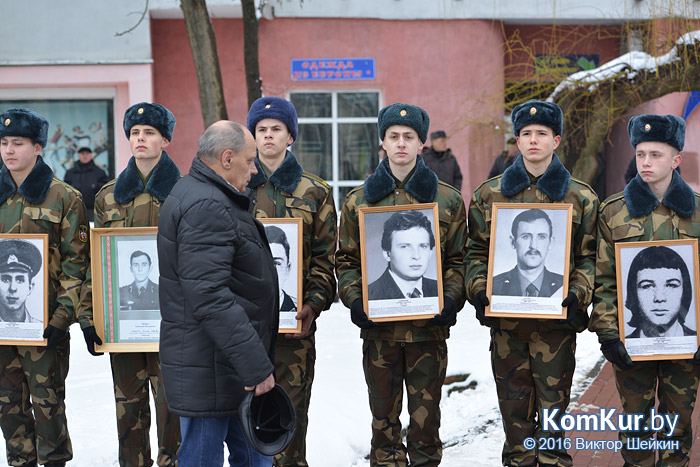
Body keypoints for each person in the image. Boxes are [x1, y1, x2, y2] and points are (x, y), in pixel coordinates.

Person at [465, 100, 598, 466]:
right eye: (526, 134)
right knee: (515, 424)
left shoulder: (581, 197)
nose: (533, 140)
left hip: (556, 330)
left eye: (542, 134)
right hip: (507, 330)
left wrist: (577, 293)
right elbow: (475, 251)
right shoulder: (489, 195)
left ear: (556, 140)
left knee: (553, 426)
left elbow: (591, 257)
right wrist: (478, 290)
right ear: (517, 140)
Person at [336, 103, 466, 465]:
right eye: (393, 136)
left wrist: (451, 299)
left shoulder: (448, 200)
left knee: (426, 424)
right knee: (383, 424)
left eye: (409, 137)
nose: (401, 144)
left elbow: (459, 260)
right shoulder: (359, 201)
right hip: (380, 335)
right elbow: (345, 260)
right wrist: (355, 300)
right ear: (383, 142)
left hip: (429, 333)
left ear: (421, 143)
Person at [158, 120, 278, 466]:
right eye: (249, 160)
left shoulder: (204, 193)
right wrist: (256, 367)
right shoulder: (207, 205)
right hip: (213, 368)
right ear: (227, 158)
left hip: (223, 365)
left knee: (255, 457)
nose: (254, 170)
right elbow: (209, 295)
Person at [589, 114, 700, 466]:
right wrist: (609, 334)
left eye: (656, 154)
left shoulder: (697, 212)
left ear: (676, 160)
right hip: (632, 343)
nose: (646, 162)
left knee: (678, 425)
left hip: (686, 346)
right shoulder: (614, 213)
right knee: (636, 427)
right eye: (640, 154)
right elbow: (603, 280)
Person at [77, 102, 181, 466]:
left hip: (174, 325)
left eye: (149, 132)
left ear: (165, 140)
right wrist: (90, 317)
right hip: (123, 325)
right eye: (135, 133)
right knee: (129, 413)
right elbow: (98, 260)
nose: (141, 138)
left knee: (174, 412)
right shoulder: (108, 195)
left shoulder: (184, 191)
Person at [246, 96, 337, 466]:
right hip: (243, 328)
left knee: (289, 415)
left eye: (276, 129)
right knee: (246, 419)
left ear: (290, 136)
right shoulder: (236, 186)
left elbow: (325, 258)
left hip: (293, 328)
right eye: (261, 130)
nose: (268, 136)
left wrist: (312, 304)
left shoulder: (314, 191)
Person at [0, 107, 90, 466]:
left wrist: (61, 318)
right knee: (9, 407)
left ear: (38, 147)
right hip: (2, 329)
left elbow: (77, 265)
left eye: (18, 143)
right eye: (4, 142)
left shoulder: (64, 197)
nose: (9, 150)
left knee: (48, 405)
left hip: (44, 328)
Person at [624, 246, 695, 338]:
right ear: (634, 293)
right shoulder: (622, 346)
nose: (659, 298)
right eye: (647, 286)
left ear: (684, 291)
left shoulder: (696, 342)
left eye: (671, 285)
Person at [367, 210, 439, 300]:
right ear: (387, 254)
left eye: (423, 246)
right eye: (404, 247)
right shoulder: (369, 297)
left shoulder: (441, 291)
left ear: (430, 252)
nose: (416, 256)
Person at [491, 209, 564, 297]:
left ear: (550, 242)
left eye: (541, 237)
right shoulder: (493, 287)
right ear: (513, 242)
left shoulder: (564, 286)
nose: (533, 246)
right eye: (526, 237)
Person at [0, 239, 43, 323]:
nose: (12, 288)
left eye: (20, 280)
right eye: (5, 279)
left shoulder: (41, 328)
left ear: (30, 287)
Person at [63, 146, 110, 221]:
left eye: (87, 153)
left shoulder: (100, 172)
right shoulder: (70, 173)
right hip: (74, 210)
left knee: (92, 231)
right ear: (78, 156)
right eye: (82, 153)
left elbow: (106, 189)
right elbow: (64, 190)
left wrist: (95, 186)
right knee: (77, 232)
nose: (85, 156)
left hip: (94, 210)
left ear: (91, 155)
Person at [264, 225, 297, 313]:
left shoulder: (297, 308)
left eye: (277, 263)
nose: (270, 270)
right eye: (263, 261)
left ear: (288, 269)